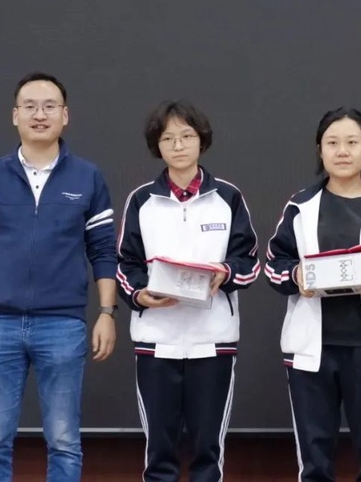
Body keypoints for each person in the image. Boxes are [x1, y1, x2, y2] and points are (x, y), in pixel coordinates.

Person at [0, 72, 118, 482]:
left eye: (49, 106)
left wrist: (107, 313)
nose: (39, 115)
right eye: (30, 106)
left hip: (62, 324)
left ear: (65, 115)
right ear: (15, 115)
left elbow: (102, 250)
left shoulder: (88, 177)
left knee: (64, 440)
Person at [264, 107, 361, 482]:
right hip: (311, 351)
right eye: (332, 143)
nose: (342, 151)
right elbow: (274, 264)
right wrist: (296, 274)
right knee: (315, 463)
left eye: (352, 142)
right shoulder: (300, 205)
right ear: (319, 150)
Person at [116, 100, 260, 482]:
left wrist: (225, 273)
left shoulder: (227, 197)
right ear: (157, 145)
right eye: (168, 138)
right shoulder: (142, 200)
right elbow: (125, 265)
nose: (178, 145)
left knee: (207, 452)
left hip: (213, 342)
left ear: (202, 140)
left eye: (186, 136)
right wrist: (140, 295)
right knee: (159, 454)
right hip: (156, 342)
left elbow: (249, 261)